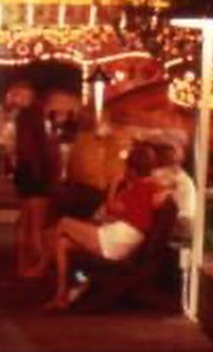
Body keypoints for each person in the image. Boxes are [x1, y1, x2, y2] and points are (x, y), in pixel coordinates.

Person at [45, 139, 163, 310]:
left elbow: (110, 208)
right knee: (63, 244)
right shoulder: (147, 186)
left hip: (119, 239)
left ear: (132, 169)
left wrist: (114, 184)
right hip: (121, 234)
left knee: (63, 223)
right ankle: (62, 293)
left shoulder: (141, 188)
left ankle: (46, 268)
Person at [12, 84, 53, 277]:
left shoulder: (21, 119)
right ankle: (38, 265)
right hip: (36, 173)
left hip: (23, 172)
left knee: (24, 221)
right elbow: (44, 151)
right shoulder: (37, 119)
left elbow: (21, 149)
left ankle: (22, 264)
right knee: (37, 224)